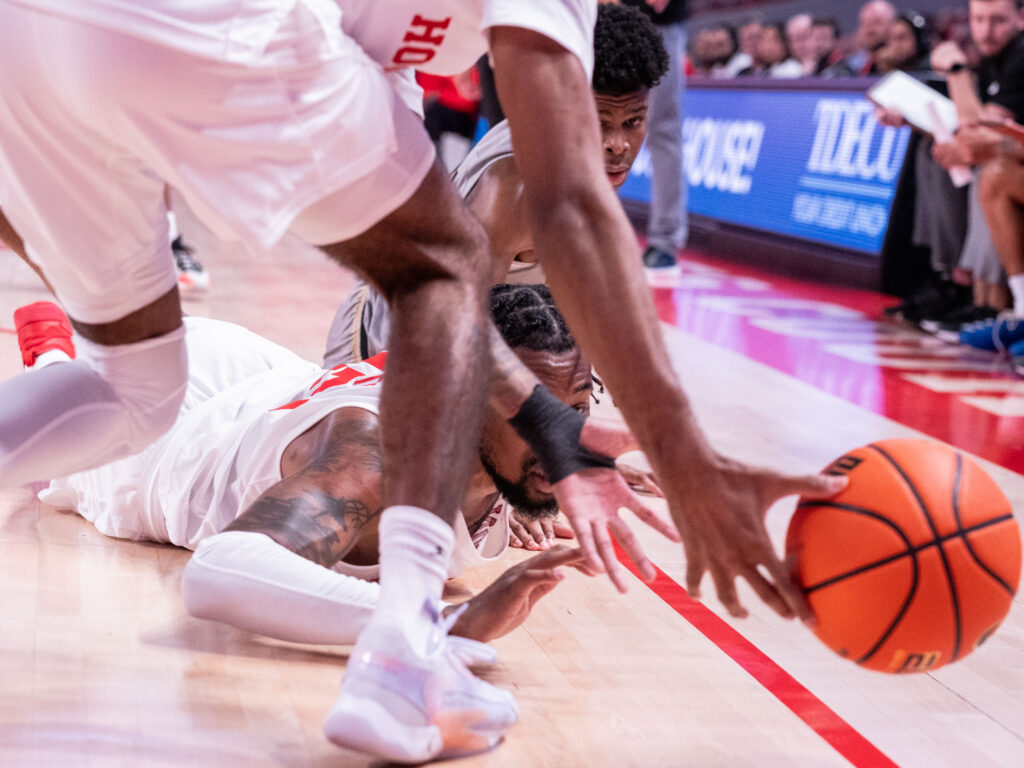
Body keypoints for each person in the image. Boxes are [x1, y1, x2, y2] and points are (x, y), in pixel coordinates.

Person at [0, 1, 845, 761]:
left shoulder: (393, 76)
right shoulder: (513, 145)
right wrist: (686, 457)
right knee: (439, 270)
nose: (617, 140)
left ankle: (53, 343)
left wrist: (556, 439)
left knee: (134, 377)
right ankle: (405, 648)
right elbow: (556, 218)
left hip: (44, 39)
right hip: (197, 439)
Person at [20, 286, 602, 654]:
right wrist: (445, 621)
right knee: (47, 449)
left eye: (575, 410)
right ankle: (51, 354)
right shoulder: (378, 463)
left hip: (263, 375)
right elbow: (222, 571)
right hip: (168, 446)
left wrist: (519, 492)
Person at [325, 1, 670, 365]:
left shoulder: (567, 149)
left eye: (633, 122)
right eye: (601, 123)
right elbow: (455, 336)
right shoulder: (515, 188)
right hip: (382, 344)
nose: (619, 144)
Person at [622, 0, 691, 269]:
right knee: (592, 125)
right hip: (604, 15)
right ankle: (584, 230)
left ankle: (665, 239)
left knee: (662, 129)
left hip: (658, 24)